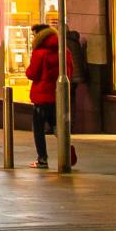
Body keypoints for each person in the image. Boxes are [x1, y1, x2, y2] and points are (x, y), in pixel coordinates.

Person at [24, 24, 76, 169]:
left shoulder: (39, 52)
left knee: (38, 128)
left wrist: (27, 70)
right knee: (56, 126)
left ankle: (42, 159)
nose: (33, 37)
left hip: (41, 97)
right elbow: (70, 71)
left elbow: (32, 73)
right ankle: (67, 148)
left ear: (39, 36)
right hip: (58, 96)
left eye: (34, 35)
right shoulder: (64, 51)